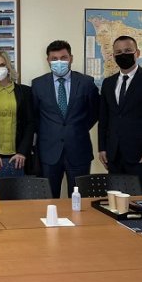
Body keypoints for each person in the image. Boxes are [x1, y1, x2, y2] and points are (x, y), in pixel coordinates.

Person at [98, 35, 142, 195]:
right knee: (116, 203)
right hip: (114, 156)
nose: (123, 54)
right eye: (118, 52)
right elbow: (104, 118)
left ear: (137, 53)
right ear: (113, 56)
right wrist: (102, 147)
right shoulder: (108, 83)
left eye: (128, 50)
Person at [31, 40, 100, 198]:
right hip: (49, 152)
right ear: (48, 60)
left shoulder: (86, 83)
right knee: (49, 200)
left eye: (63, 57)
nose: (59, 62)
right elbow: (35, 116)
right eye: (54, 59)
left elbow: (95, 112)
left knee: (79, 200)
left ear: (71, 58)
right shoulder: (38, 84)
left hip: (79, 150)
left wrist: (77, 129)